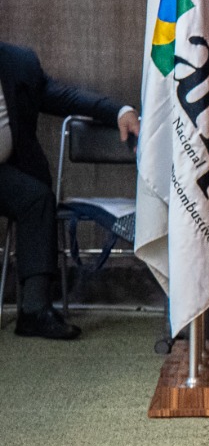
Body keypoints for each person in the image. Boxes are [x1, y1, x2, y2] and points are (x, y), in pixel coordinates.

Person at [0, 41, 139, 339]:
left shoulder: (17, 63)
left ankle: (34, 311)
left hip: (4, 175)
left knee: (36, 198)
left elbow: (65, 98)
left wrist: (119, 111)